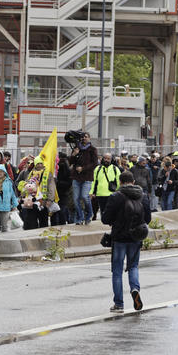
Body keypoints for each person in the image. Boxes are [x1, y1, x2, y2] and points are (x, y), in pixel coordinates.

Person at [101, 171, 151, 312]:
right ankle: (135, 289)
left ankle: (119, 304)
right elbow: (148, 218)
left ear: (120, 182)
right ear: (133, 181)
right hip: (136, 237)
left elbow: (105, 219)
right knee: (133, 266)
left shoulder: (116, 196)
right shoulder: (143, 196)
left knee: (117, 271)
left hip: (119, 237)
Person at [69, 132, 98, 225]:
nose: (84, 138)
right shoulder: (77, 148)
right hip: (76, 177)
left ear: (89, 138)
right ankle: (80, 217)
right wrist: (74, 154)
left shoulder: (92, 150)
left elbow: (95, 163)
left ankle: (89, 214)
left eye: (86, 137)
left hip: (87, 177)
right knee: (76, 198)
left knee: (85, 196)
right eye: (82, 137)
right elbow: (70, 162)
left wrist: (83, 168)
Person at [91, 153, 121, 220]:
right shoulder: (97, 169)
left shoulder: (115, 169)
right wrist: (91, 192)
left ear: (111, 160)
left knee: (112, 211)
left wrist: (119, 192)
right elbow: (94, 181)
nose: (106, 160)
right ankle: (105, 224)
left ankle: (110, 224)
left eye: (108, 159)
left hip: (112, 194)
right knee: (103, 211)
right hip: (100, 194)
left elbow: (119, 182)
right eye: (105, 158)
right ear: (102, 159)